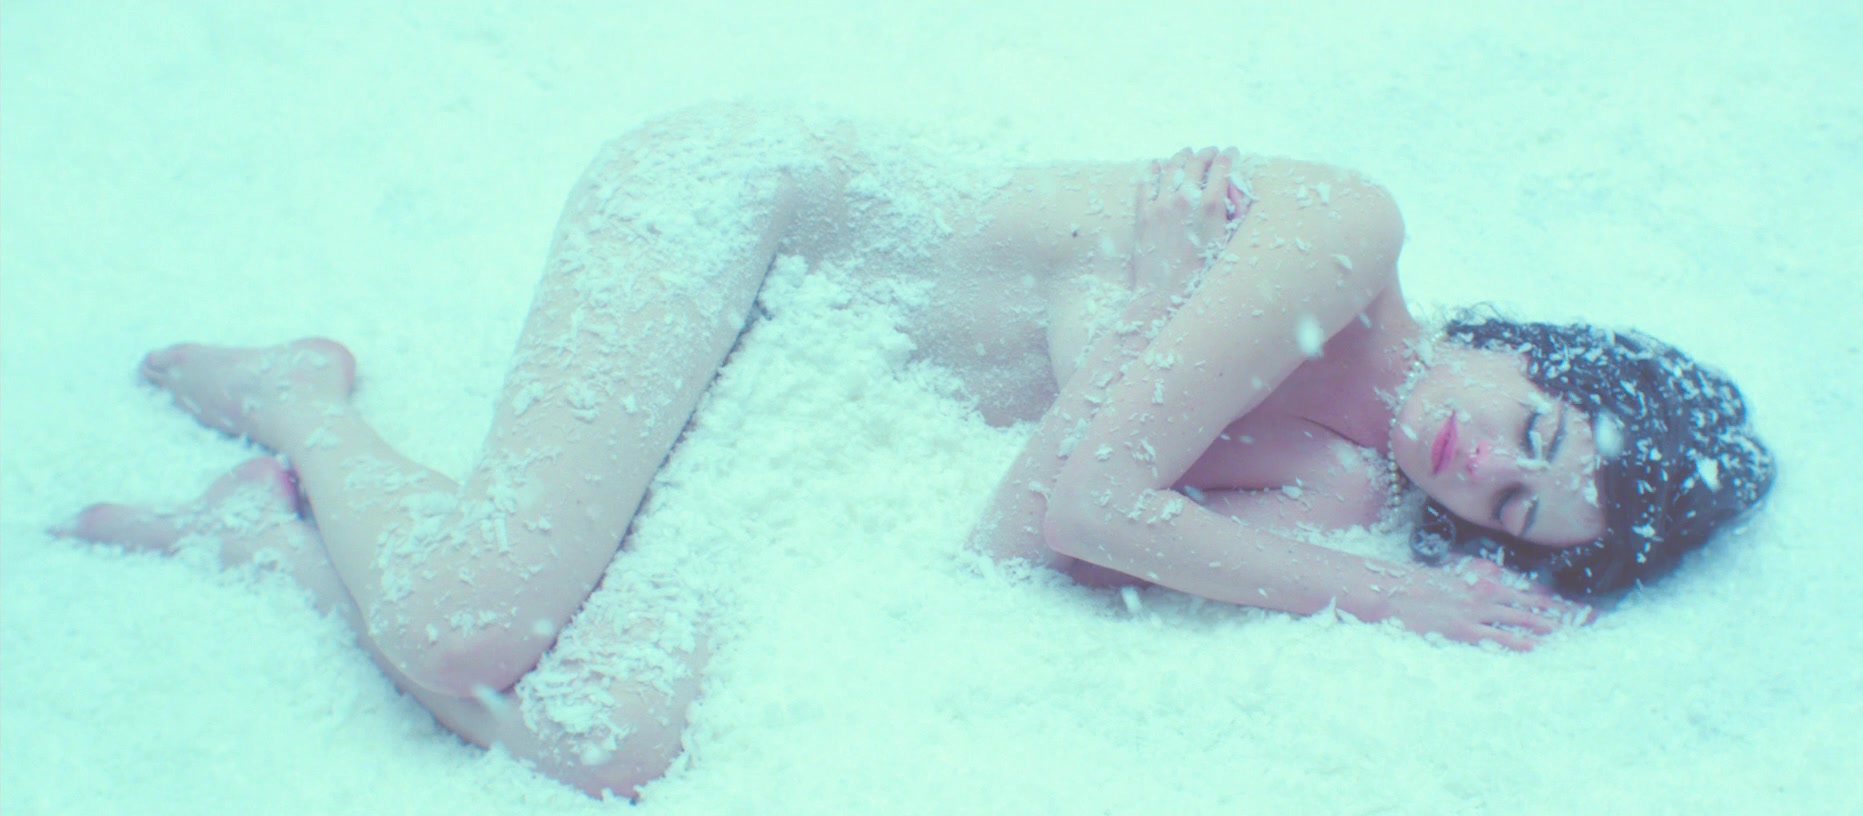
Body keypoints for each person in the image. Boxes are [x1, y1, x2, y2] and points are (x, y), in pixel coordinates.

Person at [56, 103, 1772, 798]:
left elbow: (1032, 527)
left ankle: (277, 536)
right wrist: (1391, 599)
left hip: (815, 388)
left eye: (1513, 507)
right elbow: (1090, 498)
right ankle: (305, 407)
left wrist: (1122, 338)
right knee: (469, 624)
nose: (1478, 460)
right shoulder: (1342, 239)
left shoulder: (1333, 489)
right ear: (1533, 349)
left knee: (606, 739)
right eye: (1536, 423)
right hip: (753, 233)